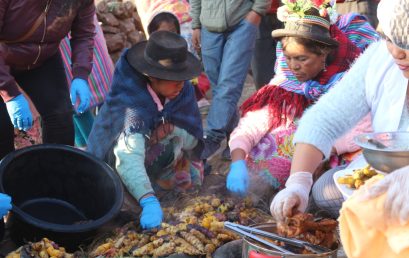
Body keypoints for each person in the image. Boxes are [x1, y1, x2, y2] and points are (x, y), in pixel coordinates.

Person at [270, 0, 409, 225]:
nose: (396, 52)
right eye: (388, 38)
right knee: (323, 191)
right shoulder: (380, 58)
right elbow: (325, 117)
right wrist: (298, 182)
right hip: (387, 173)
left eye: (405, 44)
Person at [226, 0, 379, 198]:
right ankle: (270, 192)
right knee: (273, 139)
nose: (293, 67)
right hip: (305, 164)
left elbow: (363, 130)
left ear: (324, 53)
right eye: (289, 58)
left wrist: (320, 152)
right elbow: (252, 125)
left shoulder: (352, 83)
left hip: (337, 159)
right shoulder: (285, 86)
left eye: (302, 59)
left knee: (332, 187)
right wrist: (237, 161)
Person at [87, 31, 204, 230]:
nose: (181, 85)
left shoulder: (182, 91)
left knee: (189, 177)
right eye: (174, 79)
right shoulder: (131, 104)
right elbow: (128, 156)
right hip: (116, 163)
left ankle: (157, 189)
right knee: (124, 210)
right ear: (152, 77)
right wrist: (148, 200)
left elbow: (193, 138)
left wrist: (172, 129)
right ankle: (142, 196)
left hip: (155, 156)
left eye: (182, 78)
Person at [0, 0, 95, 160]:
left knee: (61, 121)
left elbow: (84, 34)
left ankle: (56, 176)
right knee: (2, 130)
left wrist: (81, 75)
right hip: (3, 56)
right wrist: (10, 94)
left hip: (42, 59)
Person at [190, 0, 271, 160]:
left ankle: (212, 136)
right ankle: (235, 140)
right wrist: (196, 24)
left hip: (242, 23)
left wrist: (256, 12)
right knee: (220, 87)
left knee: (229, 84)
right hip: (208, 27)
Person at [251, 0, 283, 90]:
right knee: (260, 71)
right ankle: (267, 101)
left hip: (291, 13)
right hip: (258, 14)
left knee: (290, 67)